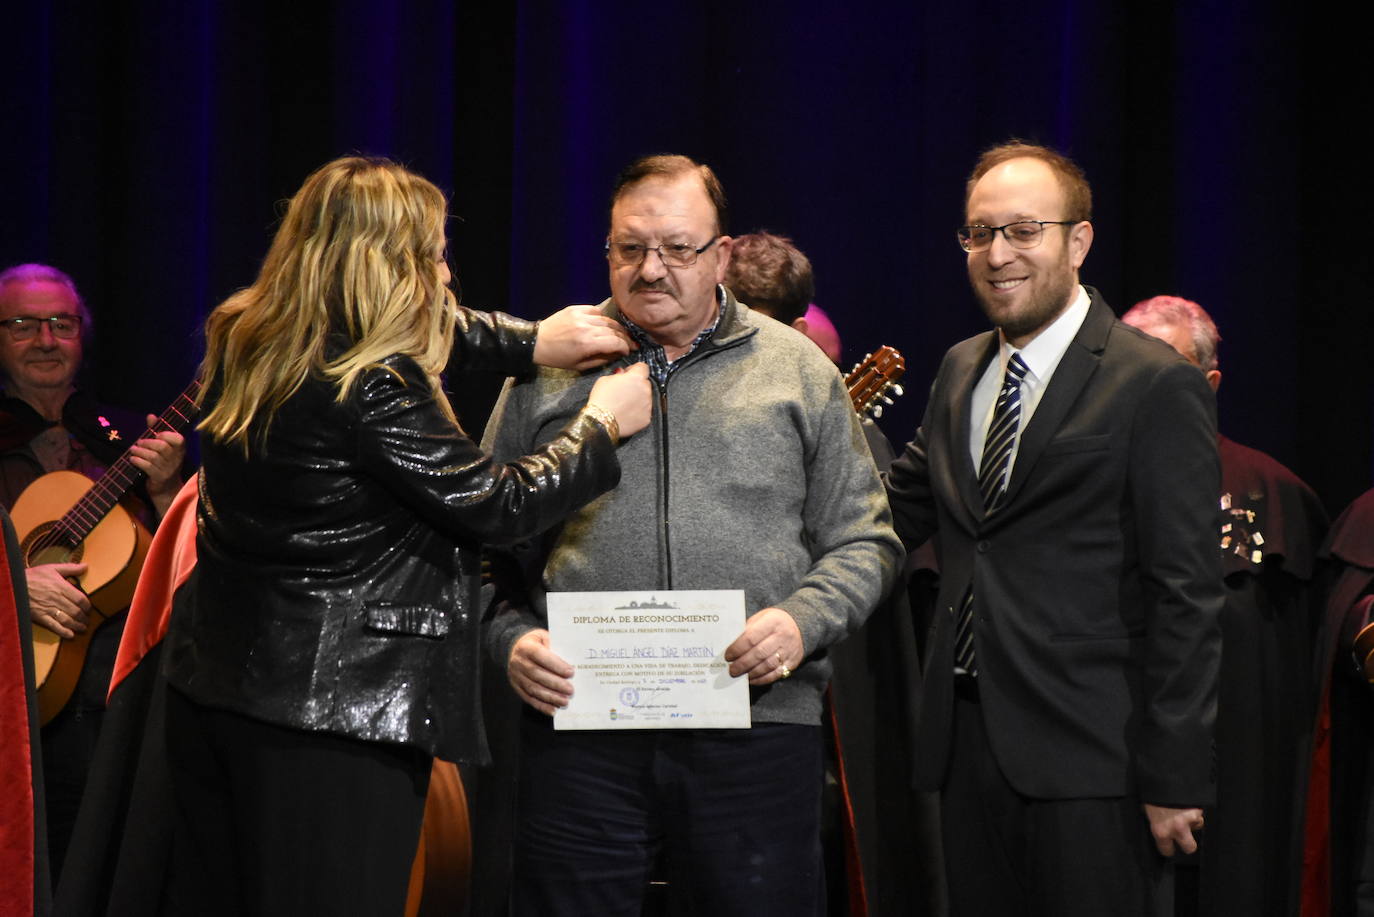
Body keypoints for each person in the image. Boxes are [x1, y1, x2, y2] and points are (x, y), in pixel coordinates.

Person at [157, 155, 652, 916]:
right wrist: (599, 426)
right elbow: (496, 503)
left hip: (222, 687)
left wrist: (527, 342)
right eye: (432, 255)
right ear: (389, 266)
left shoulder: (248, 335)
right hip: (334, 714)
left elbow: (424, 322)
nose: (447, 275)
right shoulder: (374, 383)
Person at [483, 153, 902, 916]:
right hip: (583, 728)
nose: (651, 269)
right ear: (605, 251)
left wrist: (799, 622)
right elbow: (476, 546)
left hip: (756, 724)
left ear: (722, 255)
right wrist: (507, 640)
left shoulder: (796, 369)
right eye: (630, 248)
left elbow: (865, 540)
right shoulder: (546, 370)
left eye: (678, 248)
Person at [884, 141, 1224, 916]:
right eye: (979, 233)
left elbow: (1187, 595)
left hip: (1097, 758)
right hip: (965, 744)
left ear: (1079, 241)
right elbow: (888, 516)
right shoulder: (960, 369)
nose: (997, 254)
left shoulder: (1154, 382)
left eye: (1023, 230)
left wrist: (1175, 777)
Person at [1122, 295, 1328, 917]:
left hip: (1238, 769)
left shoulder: (1274, 492)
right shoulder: (1070, 480)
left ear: (1209, 382)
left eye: (1161, 364)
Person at [0, 262, 187, 884]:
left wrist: (165, 495)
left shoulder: (133, 438)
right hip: (17, 709)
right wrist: (13, 586)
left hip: (124, 699)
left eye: (62, 323)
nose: (46, 339)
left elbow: (189, 570)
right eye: (23, 324)